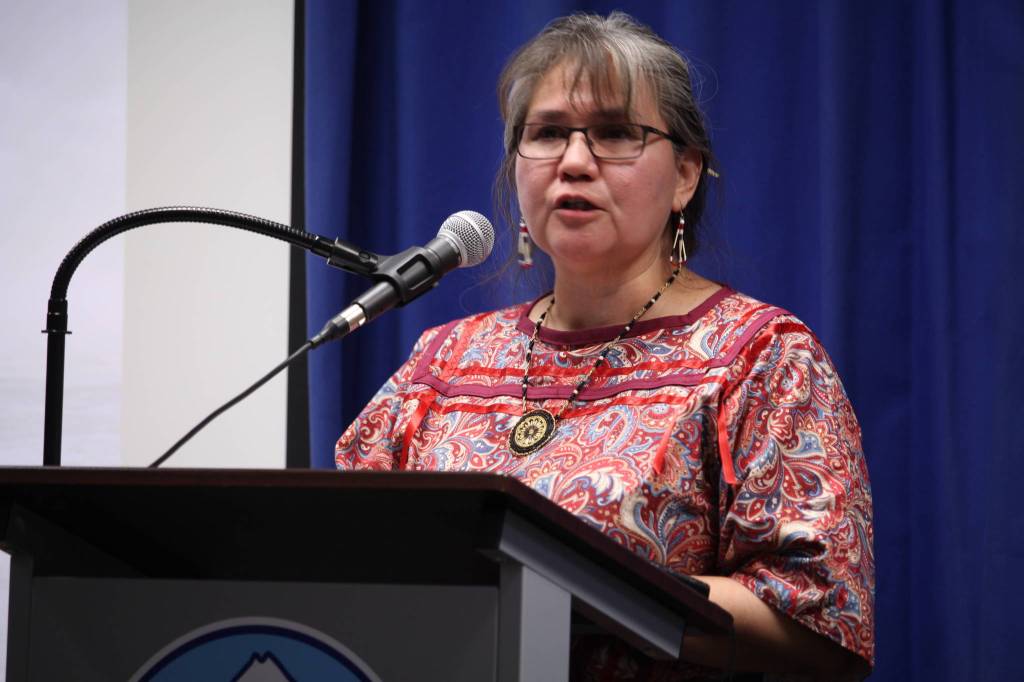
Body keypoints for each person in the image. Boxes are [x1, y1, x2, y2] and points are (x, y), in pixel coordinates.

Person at [336, 12, 874, 681]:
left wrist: (581, 589)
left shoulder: (761, 359)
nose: (575, 161)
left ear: (684, 175)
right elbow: (338, 563)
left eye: (616, 133)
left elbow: (823, 624)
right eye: (548, 133)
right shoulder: (440, 363)